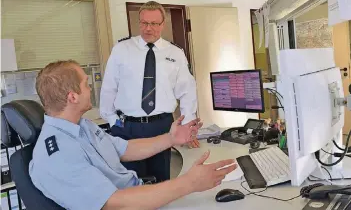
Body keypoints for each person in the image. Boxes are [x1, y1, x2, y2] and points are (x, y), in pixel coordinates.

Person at [29, 60, 237, 210]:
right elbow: (114, 204)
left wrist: (171, 139)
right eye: (85, 84)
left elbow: (125, 149)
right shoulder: (58, 155)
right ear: (73, 97)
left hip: (138, 195)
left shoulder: (82, 126)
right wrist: (190, 183)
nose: (91, 87)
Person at [100, 1, 199, 182]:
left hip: (161, 125)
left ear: (162, 24)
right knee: (130, 182)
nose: (148, 28)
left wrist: (188, 126)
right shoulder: (122, 50)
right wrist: (112, 120)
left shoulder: (175, 53)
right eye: (144, 23)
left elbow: (187, 91)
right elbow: (109, 87)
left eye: (154, 24)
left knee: (161, 180)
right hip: (127, 127)